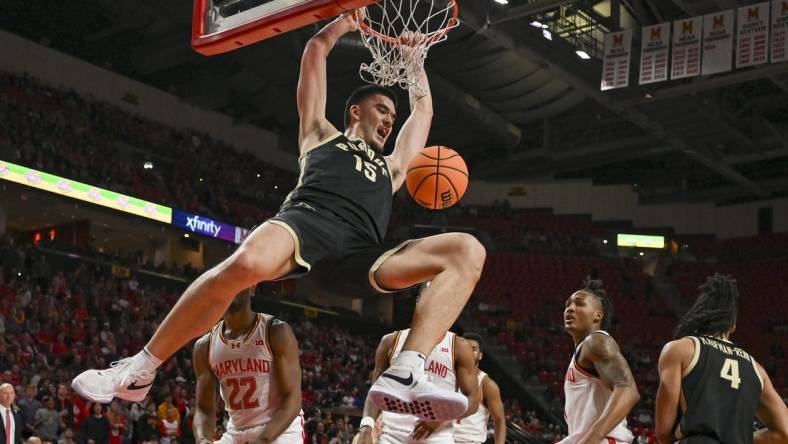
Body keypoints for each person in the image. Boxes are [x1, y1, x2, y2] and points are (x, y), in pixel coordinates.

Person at [72, 8, 485, 422]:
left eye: (392, 118)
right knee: (246, 264)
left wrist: (415, 63)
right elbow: (315, 50)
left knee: (468, 250)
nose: (389, 121)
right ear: (355, 112)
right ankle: (140, 369)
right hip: (306, 222)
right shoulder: (319, 134)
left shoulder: (393, 169)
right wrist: (346, 20)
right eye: (382, 110)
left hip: (360, 253)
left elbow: (423, 113)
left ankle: (407, 368)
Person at [655, 273, 788, 444]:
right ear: (732, 326)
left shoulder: (680, 349)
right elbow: (784, 432)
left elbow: (663, 431)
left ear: (699, 315)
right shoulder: (757, 369)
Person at [192, 288, 304, 444]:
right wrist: (202, 439)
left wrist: (262, 440)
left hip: (279, 430)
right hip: (235, 433)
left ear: (252, 288)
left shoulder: (275, 331)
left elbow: (292, 399)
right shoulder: (204, 346)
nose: (231, 286)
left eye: (238, 280)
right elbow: (204, 408)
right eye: (227, 282)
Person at [356, 327, 479, 444]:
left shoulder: (458, 346)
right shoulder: (391, 341)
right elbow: (375, 392)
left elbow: (473, 400)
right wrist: (366, 429)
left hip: (437, 437)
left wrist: (441, 419)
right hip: (391, 436)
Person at [560, 280, 639, 444]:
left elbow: (628, 390)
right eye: (568, 304)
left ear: (598, 315)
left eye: (580, 304)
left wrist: (590, 440)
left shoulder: (596, 341)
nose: (571, 308)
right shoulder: (584, 348)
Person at [453, 333, 506, 444]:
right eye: (465, 348)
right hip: (443, 438)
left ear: (480, 355)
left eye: (473, 349)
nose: (468, 352)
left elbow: (499, 420)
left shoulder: (487, 384)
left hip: (469, 441)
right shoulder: (448, 375)